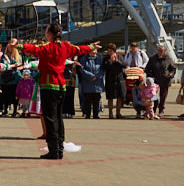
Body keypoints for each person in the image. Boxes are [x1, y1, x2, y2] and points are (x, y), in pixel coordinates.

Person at [17, 25, 99, 160]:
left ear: (49, 33)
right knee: (58, 118)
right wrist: (91, 47)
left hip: (48, 84)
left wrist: (18, 46)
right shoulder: (65, 46)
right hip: (61, 85)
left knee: (50, 118)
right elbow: (78, 49)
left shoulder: (47, 47)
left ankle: (53, 150)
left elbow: (33, 49)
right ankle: (59, 148)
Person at [143, 45, 176, 117]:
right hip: (155, 81)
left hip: (165, 80)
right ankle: (152, 110)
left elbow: (173, 69)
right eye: (158, 50)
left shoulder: (168, 59)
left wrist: (170, 75)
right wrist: (151, 76)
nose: (159, 52)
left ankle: (161, 110)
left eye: (161, 51)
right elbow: (147, 69)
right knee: (153, 96)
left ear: (164, 52)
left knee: (163, 96)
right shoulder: (152, 59)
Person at [77, 48, 104, 119]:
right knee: (87, 100)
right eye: (93, 50)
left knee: (97, 99)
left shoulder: (99, 59)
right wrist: (91, 76)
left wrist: (97, 76)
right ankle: (87, 114)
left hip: (97, 83)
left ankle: (96, 114)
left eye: (96, 50)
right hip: (87, 82)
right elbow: (82, 69)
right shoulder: (83, 59)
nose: (95, 52)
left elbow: (102, 69)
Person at [103, 48, 126, 119]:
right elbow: (104, 67)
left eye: (111, 51)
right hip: (110, 80)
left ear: (114, 51)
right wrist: (110, 62)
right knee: (110, 97)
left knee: (120, 97)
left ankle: (118, 113)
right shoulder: (105, 58)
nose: (109, 53)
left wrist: (117, 61)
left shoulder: (119, 57)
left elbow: (124, 65)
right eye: (108, 51)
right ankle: (110, 113)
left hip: (119, 79)